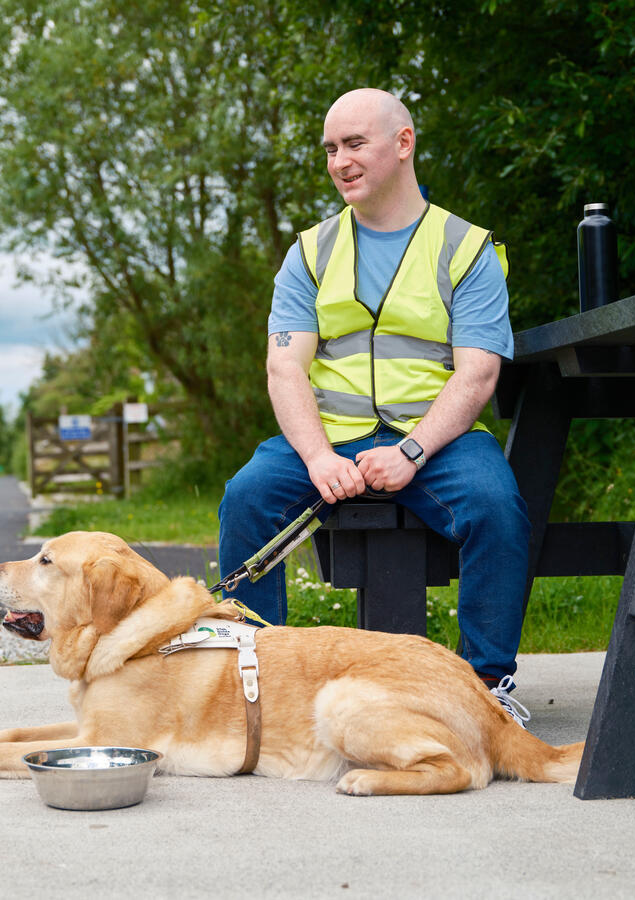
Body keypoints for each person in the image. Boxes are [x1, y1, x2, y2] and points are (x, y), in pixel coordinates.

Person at [217, 88, 532, 725]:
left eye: (355, 144)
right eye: (331, 148)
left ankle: (485, 689)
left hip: (438, 439)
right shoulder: (310, 252)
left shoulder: (465, 248)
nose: (340, 161)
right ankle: (257, 683)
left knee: (498, 507)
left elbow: (478, 374)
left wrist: (413, 451)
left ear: (403, 144)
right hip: (329, 434)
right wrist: (316, 455)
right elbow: (285, 367)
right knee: (246, 498)